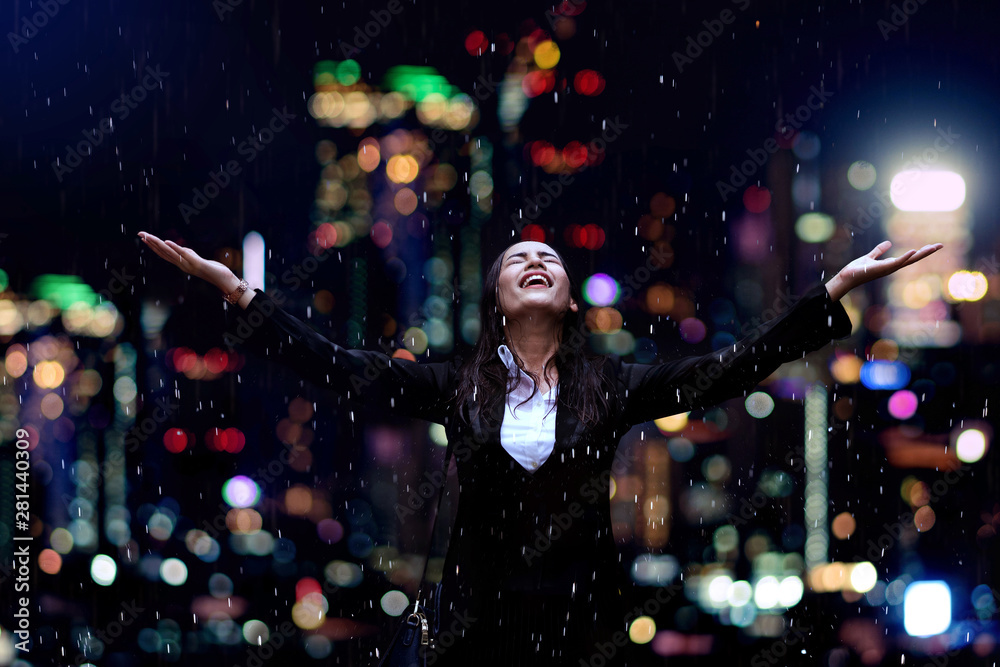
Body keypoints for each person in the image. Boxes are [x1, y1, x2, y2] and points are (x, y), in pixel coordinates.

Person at [137, 231, 941, 665]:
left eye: (548, 259)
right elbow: (338, 367)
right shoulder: (456, 385)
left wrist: (829, 293)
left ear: (564, 298)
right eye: (517, 258)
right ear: (496, 296)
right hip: (475, 629)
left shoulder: (613, 385)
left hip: (581, 623)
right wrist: (238, 293)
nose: (534, 262)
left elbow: (727, 371)